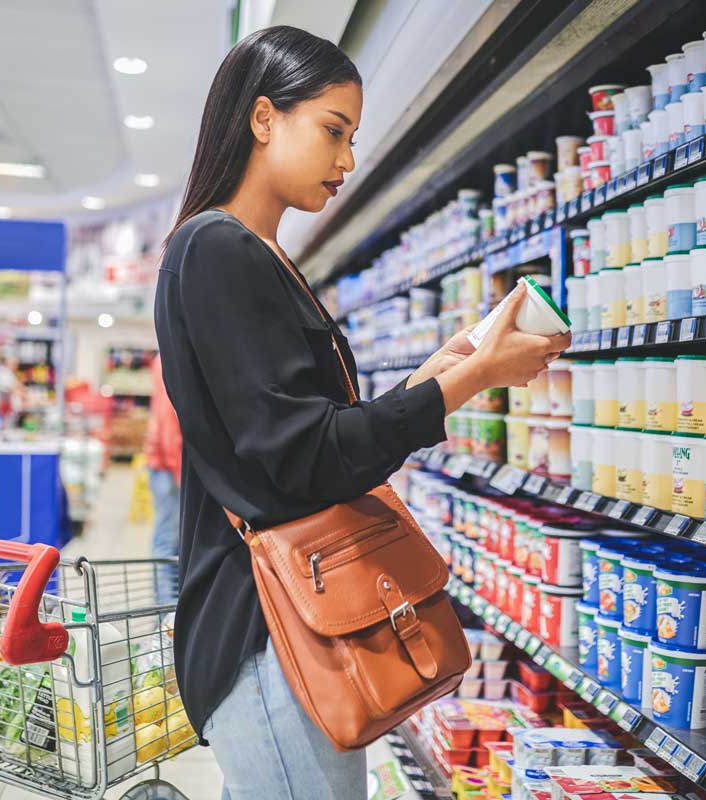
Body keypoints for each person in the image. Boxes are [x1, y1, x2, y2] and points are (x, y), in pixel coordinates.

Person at [154, 26, 571, 800]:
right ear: (263, 118)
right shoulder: (219, 249)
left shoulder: (260, 254)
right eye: (333, 131)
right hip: (269, 631)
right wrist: (470, 381)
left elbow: (305, 434)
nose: (346, 161)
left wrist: (434, 374)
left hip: (291, 627)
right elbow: (303, 457)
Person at [144, 354, 182, 605]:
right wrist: (180, 472)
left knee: (171, 543)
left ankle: (169, 618)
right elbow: (169, 421)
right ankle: (166, 621)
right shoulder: (170, 357)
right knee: (167, 544)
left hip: (166, 462)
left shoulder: (165, 357)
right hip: (168, 465)